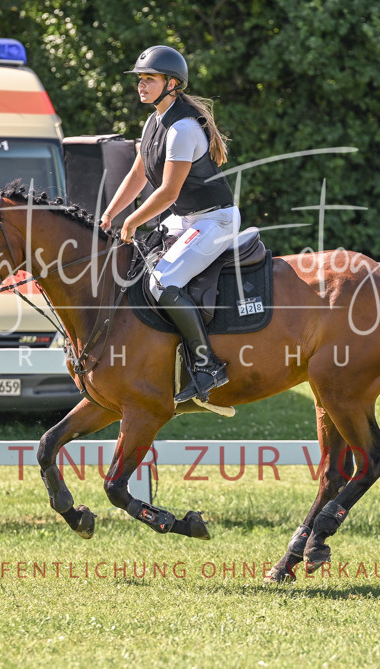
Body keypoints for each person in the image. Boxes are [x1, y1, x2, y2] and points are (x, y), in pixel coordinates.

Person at [100, 45, 241, 404]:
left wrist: (131, 221)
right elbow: (137, 174)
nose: (141, 85)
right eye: (140, 80)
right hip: (186, 217)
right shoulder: (153, 122)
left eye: (149, 79)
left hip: (215, 220)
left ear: (172, 84)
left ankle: (208, 366)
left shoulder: (183, 129)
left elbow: (166, 191)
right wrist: (111, 212)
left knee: (163, 282)